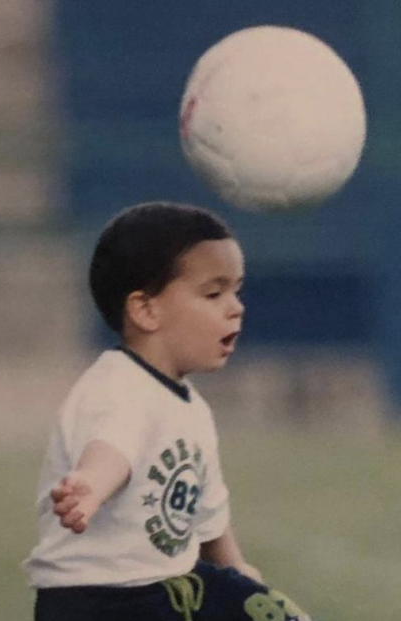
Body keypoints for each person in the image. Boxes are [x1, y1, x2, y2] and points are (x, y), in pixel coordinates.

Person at [23, 202, 311, 621]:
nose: (236, 307)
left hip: (167, 585)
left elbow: (209, 516)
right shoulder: (118, 387)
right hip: (100, 601)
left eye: (236, 290)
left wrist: (237, 570)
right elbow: (113, 448)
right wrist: (90, 484)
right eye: (213, 294)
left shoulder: (191, 406)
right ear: (146, 310)